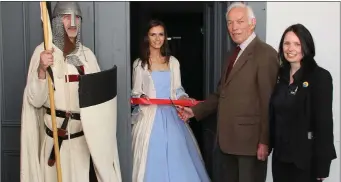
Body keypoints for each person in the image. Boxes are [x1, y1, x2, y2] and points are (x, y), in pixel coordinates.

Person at [20, 2, 121, 182]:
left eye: (77, 18)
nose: (72, 22)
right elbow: (35, 101)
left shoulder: (88, 56)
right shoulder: (43, 52)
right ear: (56, 22)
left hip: (83, 144)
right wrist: (42, 70)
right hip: (55, 147)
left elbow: (100, 104)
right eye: (67, 17)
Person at [181, 2, 279, 182]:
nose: (234, 28)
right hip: (226, 142)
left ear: (253, 23)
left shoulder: (266, 54)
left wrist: (265, 142)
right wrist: (196, 111)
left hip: (251, 145)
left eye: (240, 21)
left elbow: (268, 102)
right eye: (230, 23)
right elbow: (221, 93)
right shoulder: (231, 54)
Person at [131, 19, 210, 182]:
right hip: (149, 118)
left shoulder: (173, 62)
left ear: (165, 37)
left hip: (172, 116)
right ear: (147, 37)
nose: (157, 38)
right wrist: (142, 98)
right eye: (153, 34)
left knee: (178, 155)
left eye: (161, 34)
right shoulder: (139, 64)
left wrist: (184, 99)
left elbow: (178, 90)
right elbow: (135, 93)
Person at [269, 23, 337, 182]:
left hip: (306, 161)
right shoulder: (279, 77)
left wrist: (322, 165)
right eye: (286, 43)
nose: (290, 48)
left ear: (306, 47)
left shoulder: (320, 77)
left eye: (297, 44)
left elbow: (324, 123)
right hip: (280, 159)